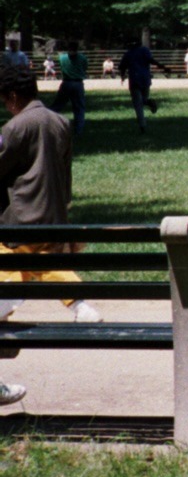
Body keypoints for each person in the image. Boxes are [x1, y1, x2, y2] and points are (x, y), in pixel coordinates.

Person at [0, 60, 102, 411]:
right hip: (54, 219)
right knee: (42, 260)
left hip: (19, 221)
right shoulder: (61, 122)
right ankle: (80, 303)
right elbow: (66, 173)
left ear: (12, 96)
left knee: (8, 262)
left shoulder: (15, 127)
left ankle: (7, 299)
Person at [117, 40, 164, 132]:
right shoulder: (145, 50)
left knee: (138, 103)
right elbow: (151, 60)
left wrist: (122, 76)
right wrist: (160, 65)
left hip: (134, 79)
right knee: (143, 100)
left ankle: (142, 124)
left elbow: (122, 67)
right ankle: (149, 103)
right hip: (145, 79)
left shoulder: (128, 53)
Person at [49, 41, 89, 135]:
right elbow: (84, 68)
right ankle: (78, 130)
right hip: (78, 83)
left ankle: (48, 122)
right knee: (79, 107)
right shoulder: (82, 58)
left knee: (58, 105)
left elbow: (61, 67)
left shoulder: (62, 58)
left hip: (66, 82)